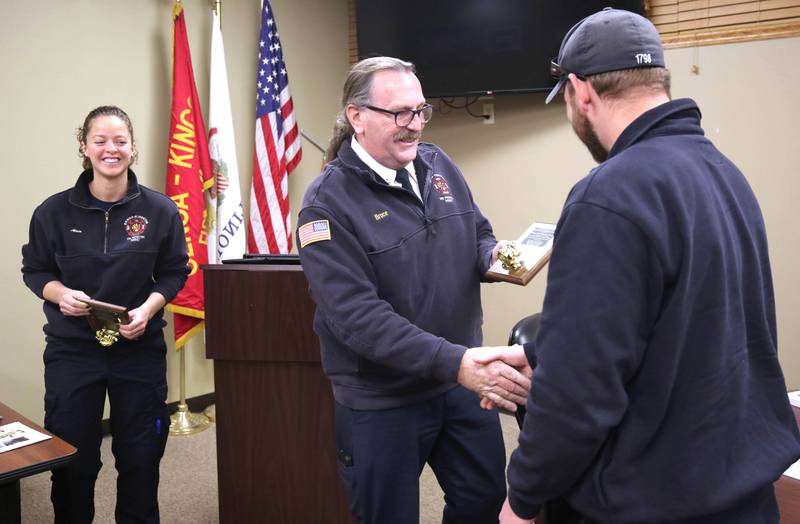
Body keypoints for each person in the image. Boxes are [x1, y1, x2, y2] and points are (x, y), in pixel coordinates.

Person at [477, 8, 800, 524]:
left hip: (651, 503)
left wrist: (522, 498)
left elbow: (579, 397)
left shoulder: (607, 196)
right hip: (739, 493)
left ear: (581, 92)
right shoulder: (724, 172)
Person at [297, 56, 531, 524]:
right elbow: (358, 318)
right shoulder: (325, 206)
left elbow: (477, 233)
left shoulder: (436, 162)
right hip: (383, 399)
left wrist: (495, 257)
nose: (414, 125)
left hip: (459, 381)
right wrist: (458, 363)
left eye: (420, 110)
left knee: (483, 499)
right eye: (399, 113)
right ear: (356, 116)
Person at [21, 105, 189, 523]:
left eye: (120, 141)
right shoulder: (52, 212)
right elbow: (36, 270)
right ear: (84, 147)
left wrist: (149, 309)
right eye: (100, 140)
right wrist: (60, 294)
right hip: (74, 352)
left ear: (133, 149)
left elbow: (173, 271)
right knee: (74, 461)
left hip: (139, 350)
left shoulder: (161, 211)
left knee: (140, 459)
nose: (110, 149)